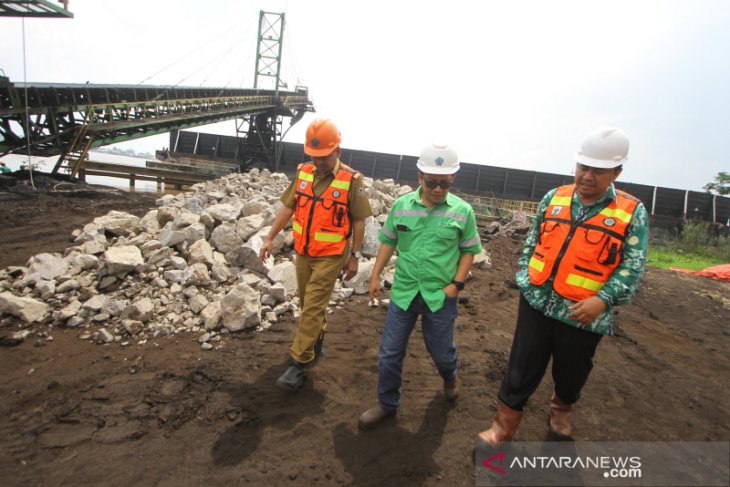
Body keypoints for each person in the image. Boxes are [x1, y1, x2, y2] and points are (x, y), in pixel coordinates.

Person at [476, 126, 649, 447]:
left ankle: (560, 409)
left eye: (598, 171)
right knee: (522, 364)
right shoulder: (554, 197)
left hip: (584, 312)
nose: (587, 176)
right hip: (538, 301)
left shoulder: (630, 211)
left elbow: (633, 266)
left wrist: (603, 299)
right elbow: (532, 241)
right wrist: (526, 278)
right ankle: (503, 427)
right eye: (583, 167)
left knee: (572, 370)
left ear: (617, 172)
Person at [358, 143, 483, 431]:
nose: (438, 189)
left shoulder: (462, 212)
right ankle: (387, 404)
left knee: (440, 352)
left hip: (440, 296)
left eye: (445, 184)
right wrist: (375, 275)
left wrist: (456, 286)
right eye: (432, 183)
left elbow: (469, 250)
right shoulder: (402, 206)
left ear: (452, 180)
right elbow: (388, 241)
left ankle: (450, 377)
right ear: (419, 178)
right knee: (389, 353)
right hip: (403, 293)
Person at [260, 118, 373, 391]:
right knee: (306, 304)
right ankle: (314, 345)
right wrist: (270, 237)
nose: (318, 162)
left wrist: (354, 255)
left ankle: (297, 363)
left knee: (312, 307)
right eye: (313, 156)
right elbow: (288, 207)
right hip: (303, 252)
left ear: (338, 152)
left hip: (332, 256)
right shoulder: (303, 173)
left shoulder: (351, 180)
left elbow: (359, 220)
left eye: (324, 156)